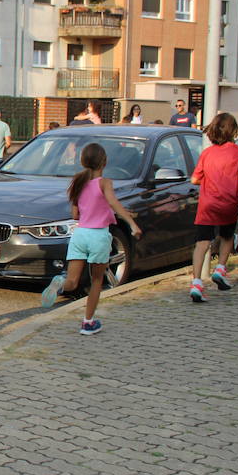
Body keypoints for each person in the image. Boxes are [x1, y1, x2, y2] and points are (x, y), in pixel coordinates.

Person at [40, 142, 142, 334]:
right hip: (98, 236)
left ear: (82, 161)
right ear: (104, 162)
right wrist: (132, 223)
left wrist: (105, 210)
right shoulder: (105, 183)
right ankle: (88, 322)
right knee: (96, 281)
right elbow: (113, 202)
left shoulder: (78, 184)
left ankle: (60, 283)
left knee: (72, 281)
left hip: (80, 234)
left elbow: (76, 214)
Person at [188, 112, 238, 302]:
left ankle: (196, 284)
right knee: (227, 236)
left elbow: (194, 179)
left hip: (208, 204)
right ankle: (220, 270)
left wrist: (209, 180)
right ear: (233, 131)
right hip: (229, 202)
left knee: (202, 244)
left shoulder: (207, 153)